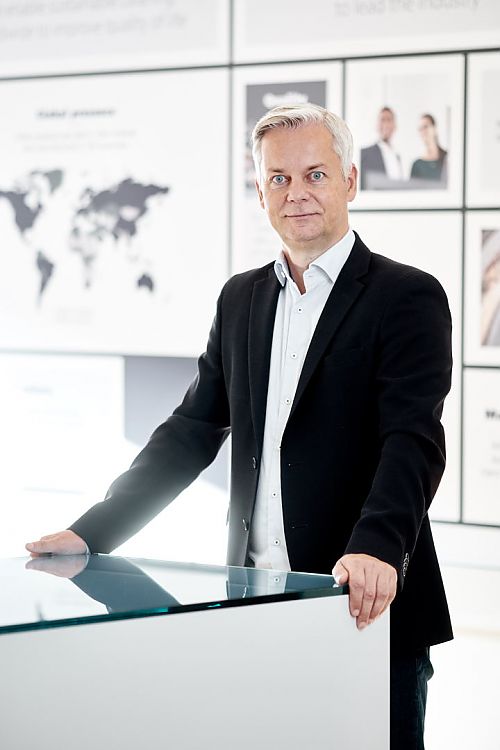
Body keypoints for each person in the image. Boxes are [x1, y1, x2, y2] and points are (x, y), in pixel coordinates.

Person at [26, 104, 453, 750]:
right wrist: (92, 531)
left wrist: (378, 548)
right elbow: (191, 430)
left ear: (349, 180)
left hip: (363, 606)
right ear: (260, 192)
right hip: (253, 607)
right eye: (279, 178)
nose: (296, 192)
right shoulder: (240, 299)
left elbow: (412, 440)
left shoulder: (407, 296)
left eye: (315, 174)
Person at [360, 106, 403, 189]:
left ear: (394, 126)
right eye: (382, 120)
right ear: (377, 125)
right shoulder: (365, 154)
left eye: (389, 120)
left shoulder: (397, 157)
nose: (386, 124)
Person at [410, 113, 448, 186]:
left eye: (425, 127)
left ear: (434, 128)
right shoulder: (417, 165)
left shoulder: (447, 158)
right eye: (420, 129)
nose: (423, 131)